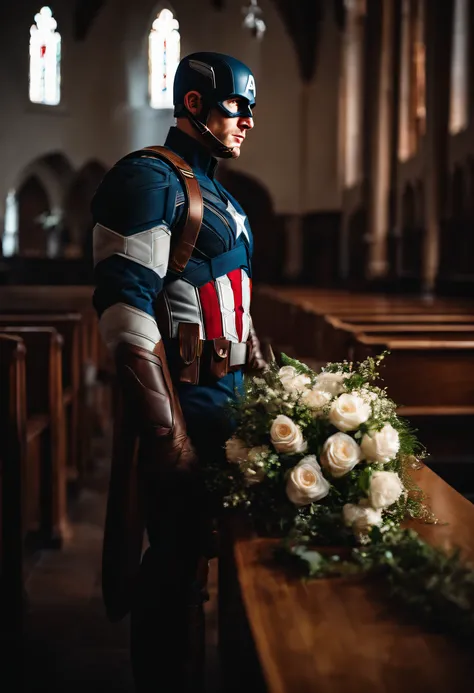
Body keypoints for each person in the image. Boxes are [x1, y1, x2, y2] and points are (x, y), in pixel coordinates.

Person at [91, 52, 267, 692]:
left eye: (251, 110)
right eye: (234, 107)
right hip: (186, 405)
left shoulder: (220, 194)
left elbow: (238, 307)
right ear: (193, 104)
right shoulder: (150, 179)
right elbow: (125, 310)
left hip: (233, 404)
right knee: (172, 567)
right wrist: (167, 435)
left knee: (211, 560)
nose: (247, 121)